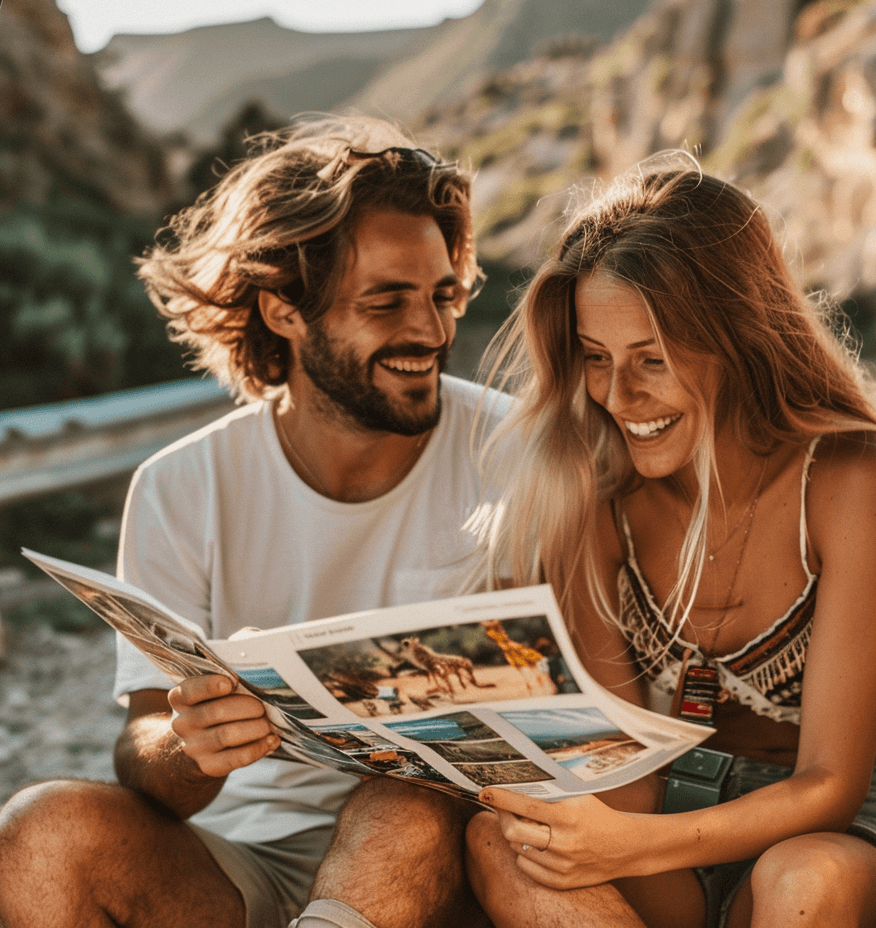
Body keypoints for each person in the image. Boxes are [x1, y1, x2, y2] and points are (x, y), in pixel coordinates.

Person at [0, 116, 507, 928]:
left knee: (410, 796)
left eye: (443, 296)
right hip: (246, 871)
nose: (432, 331)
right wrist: (191, 746)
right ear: (284, 311)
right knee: (39, 831)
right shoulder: (181, 486)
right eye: (387, 302)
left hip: (447, 864)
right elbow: (144, 747)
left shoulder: (519, 453)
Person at [464, 158, 876, 928]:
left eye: (654, 359)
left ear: (737, 340)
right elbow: (628, 784)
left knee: (799, 884)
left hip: (840, 826)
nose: (619, 397)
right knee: (503, 845)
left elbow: (830, 785)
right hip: (664, 809)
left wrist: (625, 850)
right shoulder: (590, 496)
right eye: (596, 359)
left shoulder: (857, 477)